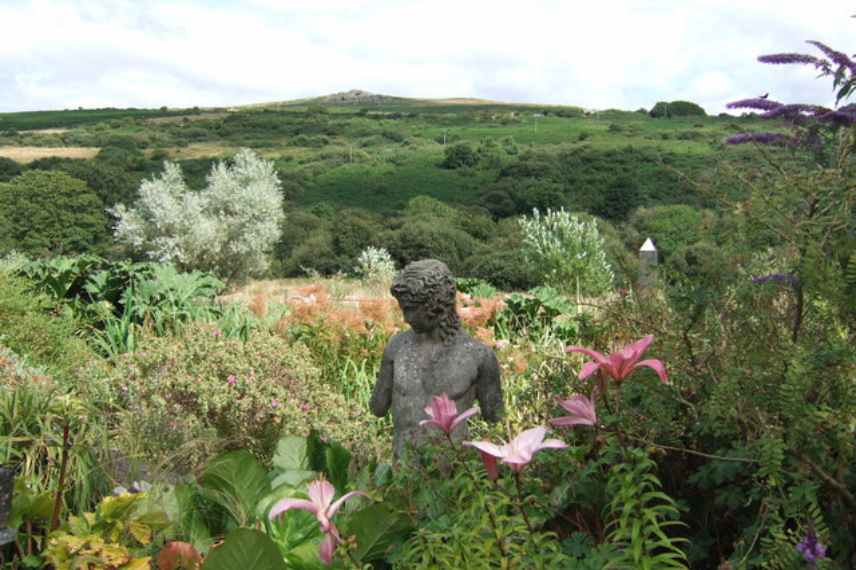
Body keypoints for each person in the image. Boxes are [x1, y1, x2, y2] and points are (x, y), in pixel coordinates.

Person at [370, 259, 503, 457]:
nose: (406, 318)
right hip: (402, 478)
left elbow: (495, 419)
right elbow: (378, 407)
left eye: (410, 309)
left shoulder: (479, 356)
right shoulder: (396, 347)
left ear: (437, 305)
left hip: (453, 478)